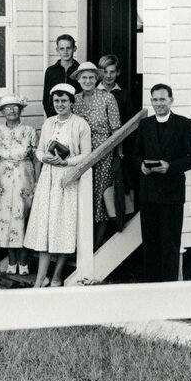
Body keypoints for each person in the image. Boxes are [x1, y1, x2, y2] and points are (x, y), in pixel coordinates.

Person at [132, 84, 191, 282]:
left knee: (170, 243)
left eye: (162, 99)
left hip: (172, 194)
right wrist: (142, 166)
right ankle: (151, 287)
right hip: (148, 193)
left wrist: (170, 166)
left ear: (171, 100)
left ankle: (168, 288)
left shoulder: (184, 124)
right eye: (155, 100)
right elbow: (135, 155)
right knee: (150, 242)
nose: (158, 104)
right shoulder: (145, 125)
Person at [24, 83, 92, 287]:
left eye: (64, 101)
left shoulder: (80, 125)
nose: (60, 104)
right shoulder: (49, 124)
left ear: (72, 102)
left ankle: (56, 275)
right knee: (45, 227)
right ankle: (40, 279)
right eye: (56, 101)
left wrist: (66, 162)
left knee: (63, 227)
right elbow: (39, 150)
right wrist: (45, 158)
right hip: (48, 178)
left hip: (67, 180)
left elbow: (87, 154)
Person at [71, 60, 122, 249]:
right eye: (84, 77)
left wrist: (117, 154)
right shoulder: (74, 100)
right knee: (82, 196)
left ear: (97, 78)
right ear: (78, 80)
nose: (87, 80)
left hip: (103, 154)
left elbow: (116, 130)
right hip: (79, 155)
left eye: (91, 77)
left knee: (100, 197)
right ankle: (79, 244)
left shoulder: (107, 98)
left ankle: (95, 245)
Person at [0, 94, 36, 276]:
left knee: (24, 215)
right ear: (2, 111)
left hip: (25, 177)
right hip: (3, 180)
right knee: (5, 219)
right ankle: (12, 260)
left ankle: (23, 261)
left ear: (21, 110)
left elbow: (36, 158)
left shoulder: (30, 131)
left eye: (15, 107)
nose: (11, 110)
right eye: (7, 107)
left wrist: (38, 180)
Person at [99, 54, 135, 231]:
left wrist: (121, 149)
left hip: (117, 148)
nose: (108, 76)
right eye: (105, 71)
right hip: (96, 147)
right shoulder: (94, 92)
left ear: (118, 72)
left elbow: (129, 123)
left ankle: (116, 224)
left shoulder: (123, 94)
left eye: (112, 72)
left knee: (115, 186)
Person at [41, 34, 81, 117]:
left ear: (74, 49)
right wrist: (53, 118)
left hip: (76, 118)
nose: (65, 52)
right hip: (55, 118)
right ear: (57, 50)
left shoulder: (80, 70)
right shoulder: (50, 71)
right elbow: (46, 99)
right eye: (62, 48)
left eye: (68, 48)